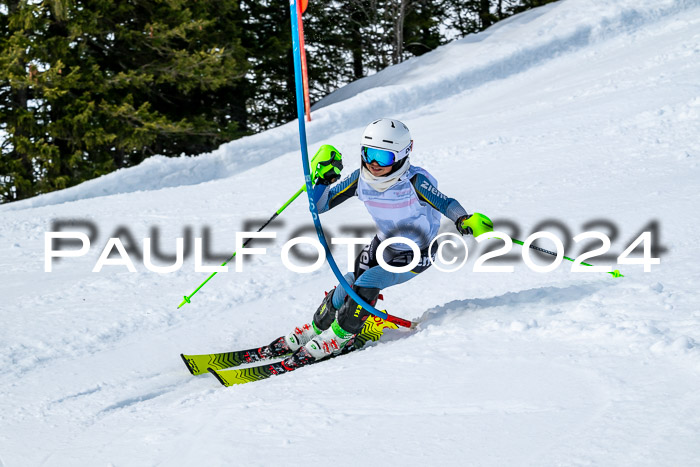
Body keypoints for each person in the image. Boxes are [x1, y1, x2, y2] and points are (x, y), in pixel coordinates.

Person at [265, 118, 493, 369]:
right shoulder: (360, 179)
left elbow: (446, 202)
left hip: (418, 252)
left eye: (383, 157)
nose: (374, 164)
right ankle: (316, 328)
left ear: (403, 154)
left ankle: (340, 337)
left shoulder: (415, 181)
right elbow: (320, 206)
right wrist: (321, 178)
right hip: (382, 245)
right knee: (348, 283)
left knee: (366, 283)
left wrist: (464, 219)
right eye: (369, 154)